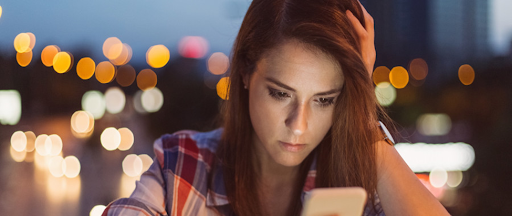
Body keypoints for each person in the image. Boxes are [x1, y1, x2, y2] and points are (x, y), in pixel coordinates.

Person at [103, 0, 450, 215]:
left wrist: (363, 120)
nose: (299, 125)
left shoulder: (359, 191)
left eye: (324, 100)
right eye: (280, 94)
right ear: (244, 74)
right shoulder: (181, 167)